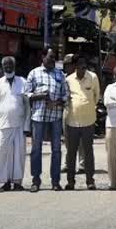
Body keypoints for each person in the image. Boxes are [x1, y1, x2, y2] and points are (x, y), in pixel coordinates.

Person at [25, 49, 68, 192]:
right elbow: (27, 94)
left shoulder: (60, 74)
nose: (52, 60)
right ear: (43, 57)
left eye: (54, 58)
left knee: (56, 149)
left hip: (55, 117)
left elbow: (66, 96)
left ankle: (55, 182)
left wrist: (56, 103)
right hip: (38, 116)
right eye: (50, 57)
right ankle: (35, 181)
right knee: (36, 149)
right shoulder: (34, 73)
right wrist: (41, 96)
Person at [0, 57, 29, 191]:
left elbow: (28, 106)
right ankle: (5, 181)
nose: (8, 67)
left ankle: (17, 182)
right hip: (3, 125)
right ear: (2, 67)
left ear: (14, 66)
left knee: (18, 155)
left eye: (10, 65)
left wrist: (27, 126)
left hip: (20, 124)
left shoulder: (23, 82)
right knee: (3, 154)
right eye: (5, 65)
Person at [65, 55, 100, 191]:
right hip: (72, 122)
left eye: (85, 67)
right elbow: (67, 98)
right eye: (80, 67)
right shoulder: (68, 80)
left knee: (88, 152)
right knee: (71, 153)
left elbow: (97, 96)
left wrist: (88, 106)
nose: (83, 69)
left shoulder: (93, 77)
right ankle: (70, 181)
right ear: (75, 67)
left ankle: (90, 181)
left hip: (88, 121)